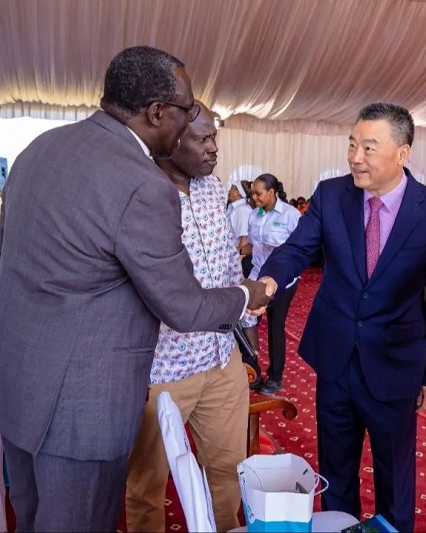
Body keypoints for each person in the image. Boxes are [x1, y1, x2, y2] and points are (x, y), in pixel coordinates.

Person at [0, 46, 273, 532]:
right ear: (157, 112)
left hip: (16, 383)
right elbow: (183, 307)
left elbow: (0, 269)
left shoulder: (39, 149)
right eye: (186, 110)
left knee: (31, 517)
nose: (189, 121)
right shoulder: (141, 182)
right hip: (81, 407)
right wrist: (245, 296)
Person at [257, 102, 426, 530]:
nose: (355, 157)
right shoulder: (332, 195)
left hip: (395, 367)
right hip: (336, 362)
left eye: (369, 147)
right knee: (336, 473)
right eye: (352, 145)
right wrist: (269, 281)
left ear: (402, 153)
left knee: (395, 480)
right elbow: (297, 249)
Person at [126, 101, 253, 532]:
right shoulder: (141, 195)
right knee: (148, 485)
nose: (214, 147)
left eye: (215, 137)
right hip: (163, 371)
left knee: (228, 473)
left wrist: (246, 311)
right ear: (170, 138)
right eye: (202, 139)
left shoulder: (214, 188)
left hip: (221, 361)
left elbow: (227, 261)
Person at [243, 173, 301, 395]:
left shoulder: (290, 215)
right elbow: (252, 246)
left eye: (258, 194)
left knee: (275, 326)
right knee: (247, 320)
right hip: (258, 275)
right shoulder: (254, 215)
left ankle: (276, 378)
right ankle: (253, 371)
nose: (254, 198)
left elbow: (300, 249)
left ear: (272, 192)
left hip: (283, 279)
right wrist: (236, 252)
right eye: (253, 194)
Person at [226, 180, 253, 274]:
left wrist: (238, 263)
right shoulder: (236, 209)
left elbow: (244, 238)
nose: (229, 191)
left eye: (232, 188)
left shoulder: (242, 210)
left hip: (240, 258)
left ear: (238, 193)